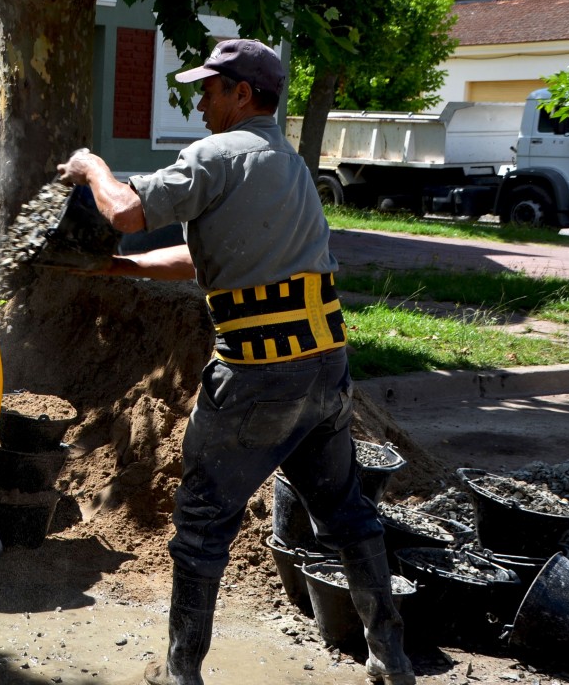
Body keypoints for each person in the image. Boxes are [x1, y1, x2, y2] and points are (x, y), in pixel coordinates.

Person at [57, 39, 413, 685]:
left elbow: (127, 209)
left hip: (256, 375)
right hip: (323, 370)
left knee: (200, 525)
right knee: (348, 515)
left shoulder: (215, 155)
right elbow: (206, 260)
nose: (200, 101)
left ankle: (181, 673)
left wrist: (91, 167)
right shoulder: (288, 164)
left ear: (242, 94)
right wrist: (123, 267)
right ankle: (391, 659)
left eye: (210, 88)